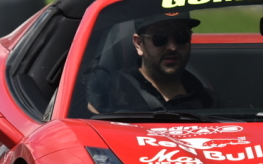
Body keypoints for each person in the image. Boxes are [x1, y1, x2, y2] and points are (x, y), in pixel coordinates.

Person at [86, 11, 215, 113]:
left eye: (181, 37)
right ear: (139, 44)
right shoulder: (111, 91)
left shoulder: (206, 100)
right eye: (160, 38)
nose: (172, 47)